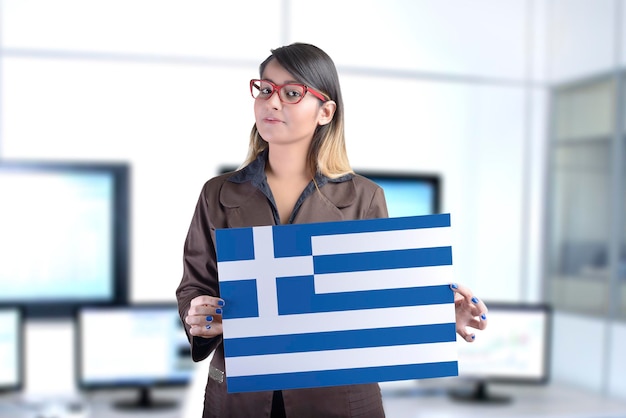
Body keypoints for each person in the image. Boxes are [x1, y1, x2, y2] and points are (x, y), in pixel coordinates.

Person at [176, 42, 488, 418]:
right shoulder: (219, 193)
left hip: (336, 401)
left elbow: (377, 303)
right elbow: (195, 286)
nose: (272, 102)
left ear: (325, 111)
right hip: (240, 399)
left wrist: (434, 320)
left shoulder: (364, 197)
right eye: (265, 89)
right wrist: (198, 315)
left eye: (292, 93)